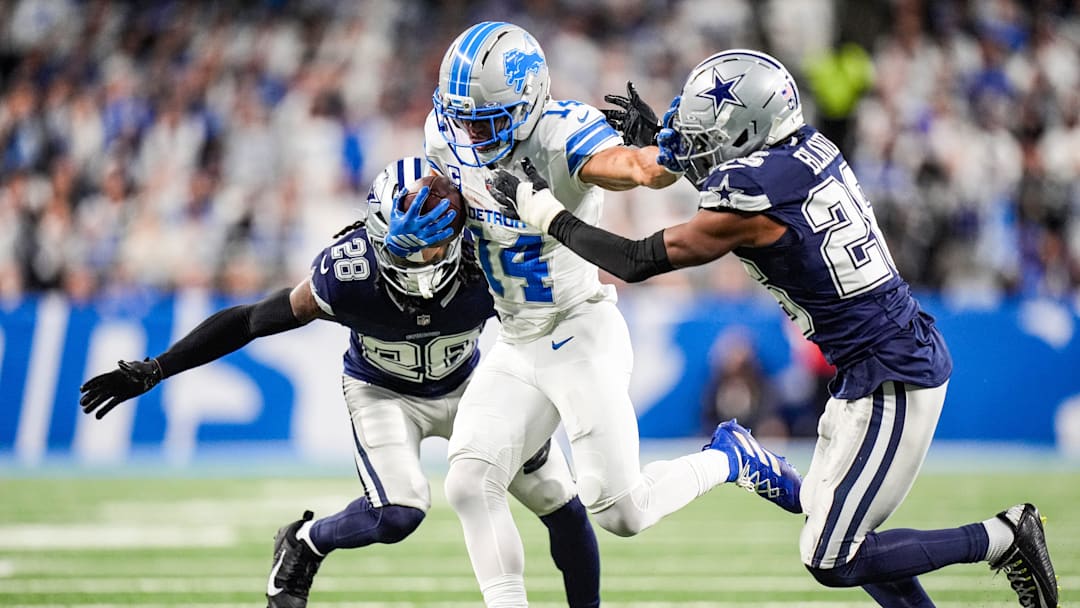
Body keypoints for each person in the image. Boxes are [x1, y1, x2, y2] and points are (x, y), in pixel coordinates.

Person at [485, 49, 1060, 608]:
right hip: (877, 359)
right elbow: (743, 173)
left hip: (894, 374)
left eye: (709, 131)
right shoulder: (806, 148)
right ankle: (750, 459)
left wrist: (543, 211)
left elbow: (639, 260)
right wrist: (668, 140)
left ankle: (1005, 535)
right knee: (832, 523)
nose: (697, 141)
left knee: (833, 554)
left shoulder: (753, 197)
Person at [391, 22, 803, 607]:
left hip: (577, 329)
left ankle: (728, 457)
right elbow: (456, 201)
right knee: (467, 480)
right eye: (459, 118)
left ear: (527, 101)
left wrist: (663, 146)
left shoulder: (561, 133)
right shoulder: (446, 134)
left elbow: (639, 170)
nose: (467, 133)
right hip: (512, 338)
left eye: (482, 121)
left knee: (621, 512)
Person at [77, 158, 603, 608]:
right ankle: (305, 541)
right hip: (383, 390)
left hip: (472, 385)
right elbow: (249, 320)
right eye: (403, 246)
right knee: (399, 512)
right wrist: (158, 367)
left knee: (560, 499)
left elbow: (556, 323)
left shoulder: (487, 263)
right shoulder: (345, 274)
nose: (417, 261)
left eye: (430, 246)